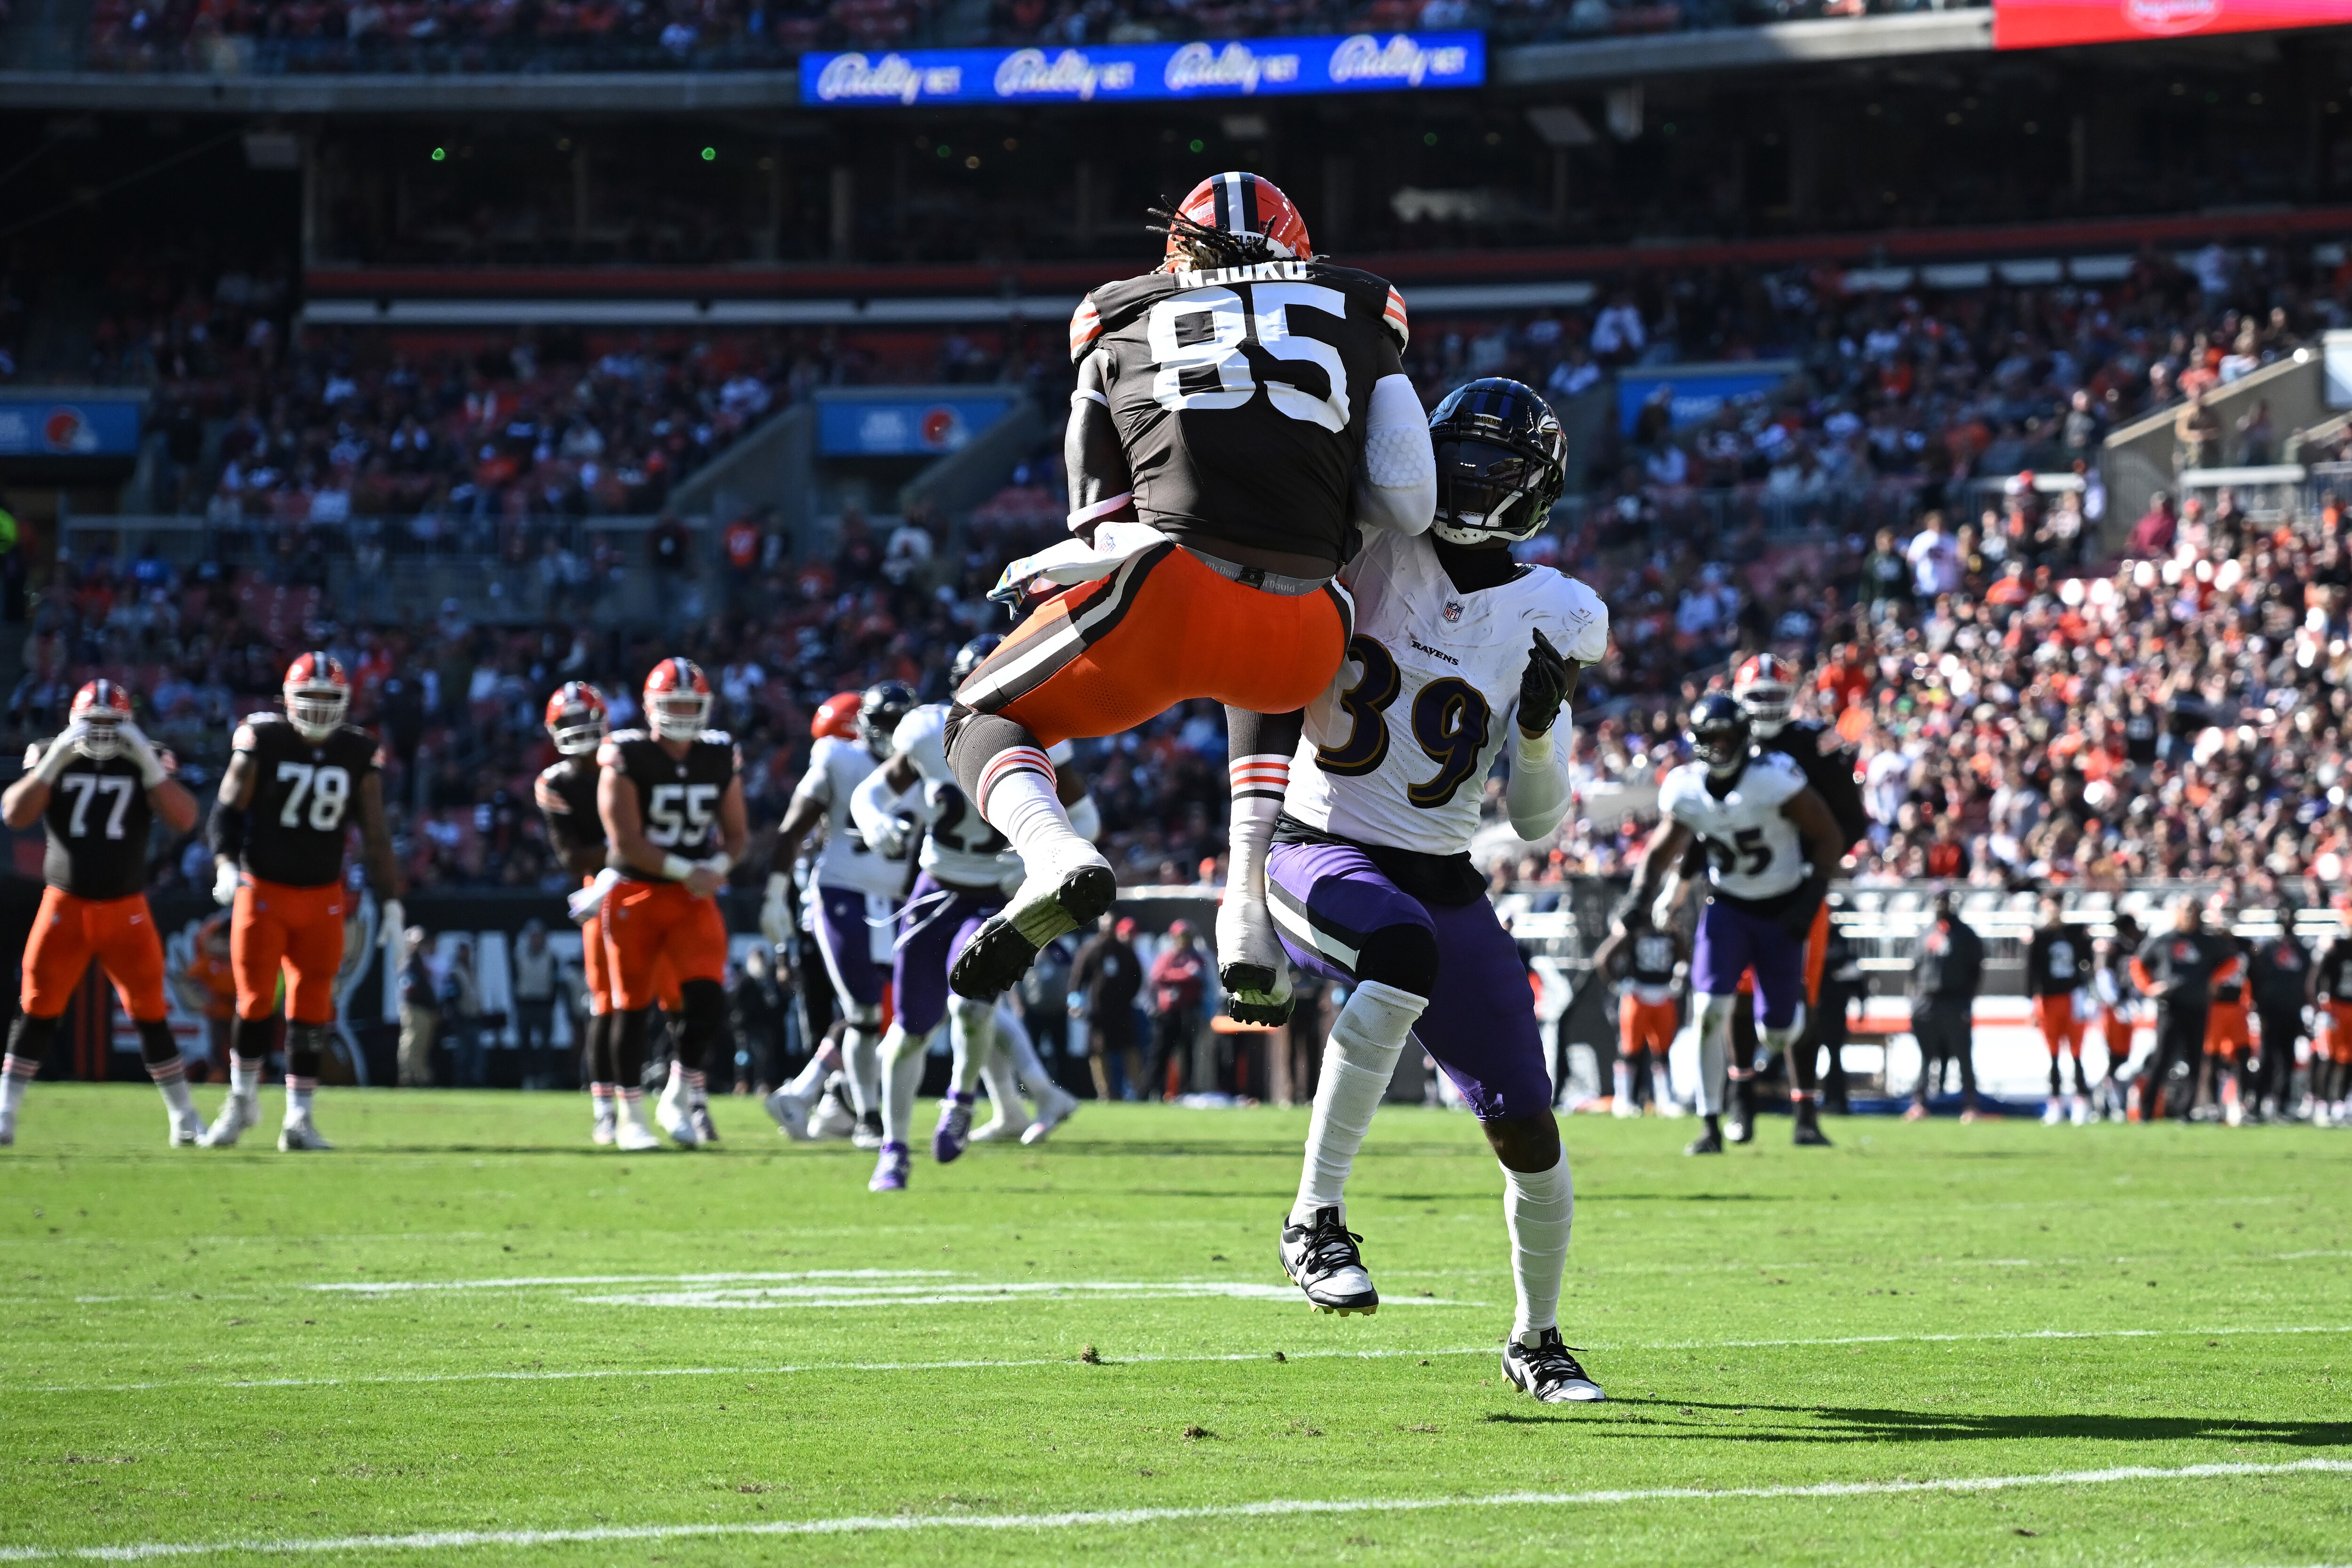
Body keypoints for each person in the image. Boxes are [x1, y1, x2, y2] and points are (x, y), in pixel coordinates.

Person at [941, 173, 1436, 1014]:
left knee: (976, 720)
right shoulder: (1359, 308)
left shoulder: (1118, 315)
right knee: (1286, 622)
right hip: (1307, 637)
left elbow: (1095, 513)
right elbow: (1411, 497)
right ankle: (1245, 906)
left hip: (1173, 598)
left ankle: (1056, 854)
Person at [1256, 374, 1607, 1404]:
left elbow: (1540, 822)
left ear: (1533, 488)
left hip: (1444, 877)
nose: (1462, 481)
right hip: (1318, 840)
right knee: (1399, 949)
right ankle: (1312, 1217)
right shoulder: (1367, 543)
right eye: (1453, 460)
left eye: (1490, 469)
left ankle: (1535, 1338)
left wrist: (1539, 730)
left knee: (1530, 1129)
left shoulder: (1557, 609)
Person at [850, 637, 1092, 1191]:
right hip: (936, 889)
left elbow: (1088, 820)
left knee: (972, 1008)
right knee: (909, 1030)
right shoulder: (925, 730)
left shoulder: (1044, 738)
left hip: (995, 895)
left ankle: (960, 1099)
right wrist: (875, 823)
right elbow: (870, 794)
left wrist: (1044, 861)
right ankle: (893, 1147)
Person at [1613, 693, 1847, 1154]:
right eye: (1709, 738)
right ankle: (1710, 1124)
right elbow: (1661, 850)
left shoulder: (1773, 778)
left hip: (1780, 907)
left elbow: (1828, 837)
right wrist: (1639, 897)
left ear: (1743, 738)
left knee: (1776, 1031)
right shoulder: (1686, 788)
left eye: (1726, 737)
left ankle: (1774, 1042)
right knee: (1708, 1012)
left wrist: (1809, 900)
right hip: (1729, 907)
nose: (1718, 747)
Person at [200, 654, 403, 1152]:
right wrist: (225, 864)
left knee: (312, 1008)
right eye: (307, 698)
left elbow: (376, 836)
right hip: (263, 891)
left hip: (323, 898)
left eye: (327, 699)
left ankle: (299, 1119)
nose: (316, 709)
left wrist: (393, 901)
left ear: (345, 703)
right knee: (252, 1003)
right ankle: (241, 1101)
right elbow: (226, 810)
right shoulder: (264, 740)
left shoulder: (357, 752)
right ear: (287, 700)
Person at [0, 681, 201, 1146]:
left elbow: (184, 818)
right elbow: (14, 813)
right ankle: (6, 1113)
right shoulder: (51, 752)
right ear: (74, 723)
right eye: (94, 723)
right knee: (36, 1009)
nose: (104, 733)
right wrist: (54, 761)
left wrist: (148, 762)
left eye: (113, 724)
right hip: (64, 903)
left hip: (125, 908)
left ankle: (184, 1118)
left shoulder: (144, 758)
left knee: (150, 1012)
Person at [592, 657, 748, 1149]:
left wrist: (717, 869)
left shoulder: (719, 754)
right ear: (650, 707)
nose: (681, 713)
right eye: (672, 703)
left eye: (689, 703)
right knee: (631, 1008)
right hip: (635, 892)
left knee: (706, 998)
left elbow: (738, 836)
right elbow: (625, 842)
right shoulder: (625, 753)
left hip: (690, 896)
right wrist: (692, 870)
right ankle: (629, 1115)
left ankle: (678, 1092)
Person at [759, 685, 910, 1147]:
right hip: (841, 896)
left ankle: (821, 1098)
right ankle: (857, 1111)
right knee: (862, 1010)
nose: (889, 735)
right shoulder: (837, 759)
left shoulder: (925, 764)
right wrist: (773, 896)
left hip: (898, 903)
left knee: (885, 1012)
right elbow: (792, 828)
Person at [1726, 652, 1868, 1134]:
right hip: (1737, 888)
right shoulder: (1725, 739)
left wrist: (1817, 868)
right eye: (1756, 696)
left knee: (1801, 995)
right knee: (1739, 996)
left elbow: (1851, 819)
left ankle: (1805, 1110)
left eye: (1774, 696)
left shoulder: (1813, 744)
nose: (1765, 706)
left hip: (1800, 887)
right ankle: (1740, 1099)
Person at [538, 681, 657, 1149]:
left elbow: (651, 831)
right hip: (603, 894)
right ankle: (605, 1109)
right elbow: (573, 859)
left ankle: (688, 1098)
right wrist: (621, 854)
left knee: (663, 998)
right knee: (606, 1004)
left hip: (650, 883)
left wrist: (624, 853)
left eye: (584, 720)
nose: (578, 731)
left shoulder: (627, 759)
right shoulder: (556, 783)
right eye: (568, 723)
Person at [2130, 897, 2225, 1123]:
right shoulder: (2164, 939)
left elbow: (2231, 961)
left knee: (2194, 1059)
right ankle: (2147, 1110)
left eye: (2194, 911)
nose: (2190, 916)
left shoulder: (2207, 941)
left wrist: (2215, 981)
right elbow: (2137, 964)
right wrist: (2149, 988)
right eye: (2186, 911)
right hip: (2170, 1006)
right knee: (2162, 1059)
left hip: (2197, 1005)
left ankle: (2186, 1110)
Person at [1906, 890, 1986, 1122]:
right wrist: (1914, 1002)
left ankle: (1970, 1104)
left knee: (1963, 1055)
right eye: (1937, 900)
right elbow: (1914, 969)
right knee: (1925, 1055)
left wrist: (1967, 1002)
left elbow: (1976, 970)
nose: (1941, 905)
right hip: (1927, 1002)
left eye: (1945, 900)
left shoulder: (1966, 934)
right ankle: (1920, 1102)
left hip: (1955, 1001)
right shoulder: (1926, 933)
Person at [1597, 923, 1681, 1118]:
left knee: (1662, 1050)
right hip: (1637, 993)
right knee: (1629, 1049)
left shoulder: (1670, 930)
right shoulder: (1633, 928)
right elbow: (1602, 959)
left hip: (1663, 992)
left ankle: (1665, 1100)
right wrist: (1615, 984)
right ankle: (1624, 1099)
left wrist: (1680, 975)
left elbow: (1684, 956)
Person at [2024, 896, 2092, 1124]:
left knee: (2076, 1053)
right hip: (2048, 1000)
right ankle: (2055, 1102)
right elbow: (2031, 973)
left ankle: (2081, 1101)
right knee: (2053, 1055)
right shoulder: (2040, 937)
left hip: (2071, 997)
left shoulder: (2074, 933)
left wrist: (2086, 992)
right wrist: (2030, 1005)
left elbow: (2087, 961)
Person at [1070, 913, 1143, 1103]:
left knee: (1129, 1049)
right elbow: (1077, 979)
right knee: (1098, 1051)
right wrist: (1075, 1002)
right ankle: (1105, 1093)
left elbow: (1138, 978)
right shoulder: (1091, 950)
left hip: (1122, 1010)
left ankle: (1136, 1090)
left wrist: (1128, 997)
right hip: (1098, 1012)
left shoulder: (1125, 952)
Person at [2248, 917, 2308, 1123]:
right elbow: (2256, 980)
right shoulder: (2267, 950)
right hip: (2271, 1012)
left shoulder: (2301, 951)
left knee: (2287, 1059)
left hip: (2291, 1012)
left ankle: (2282, 1105)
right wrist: (2259, 1010)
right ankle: (2256, 1104)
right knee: (2266, 1059)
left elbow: (2305, 982)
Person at [1146, 921, 1208, 1101]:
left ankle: (1186, 1091)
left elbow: (1200, 978)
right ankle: (1153, 1091)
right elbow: (1159, 976)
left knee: (1188, 1052)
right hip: (1168, 1013)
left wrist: (1178, 976)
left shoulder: (1196, 957)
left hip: (1189, 1011)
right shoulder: (1167, 957)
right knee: (1161, 1052)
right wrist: (1184, 975)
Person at [2200, 913, 2252, 1124]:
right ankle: (2212, 1104)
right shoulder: (2211, 948)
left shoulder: (2243, 947)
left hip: (2238, 1006)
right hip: (2216, 1007)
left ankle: (2244, 1102)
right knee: (2212, 1056)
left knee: (2243, 1054)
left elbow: (2252, 975)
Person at [2304, 919, 2352, 1125]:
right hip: (2334, 1008)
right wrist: (2318, 1008)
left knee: (2348, 1059)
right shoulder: (2336, 947)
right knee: (2328, 1058)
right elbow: (2315, 978)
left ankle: (2341, 1104)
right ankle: (2321, 1103)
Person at [511, 919, 559, 1090]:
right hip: (526, 1004)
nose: (536, 939)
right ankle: (528, 1078)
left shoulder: (551, 956)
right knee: (525, 1045)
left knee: (545, 1046)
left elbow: (555, 984)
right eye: (533, 936)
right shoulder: (519, 956)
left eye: (539, 936)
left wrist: (551, 1004)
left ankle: (544, 1078)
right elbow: (514, 981)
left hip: (544, 1004)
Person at [395, 926, 438, 1090]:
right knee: (411, 1042)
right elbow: (409, 987)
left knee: (421, 1044)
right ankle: (408, 1077)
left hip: (424, 1010)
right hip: (415, 1009)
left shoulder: (421, 962)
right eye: (417, 943)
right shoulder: (409, 962)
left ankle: (419, 1076)